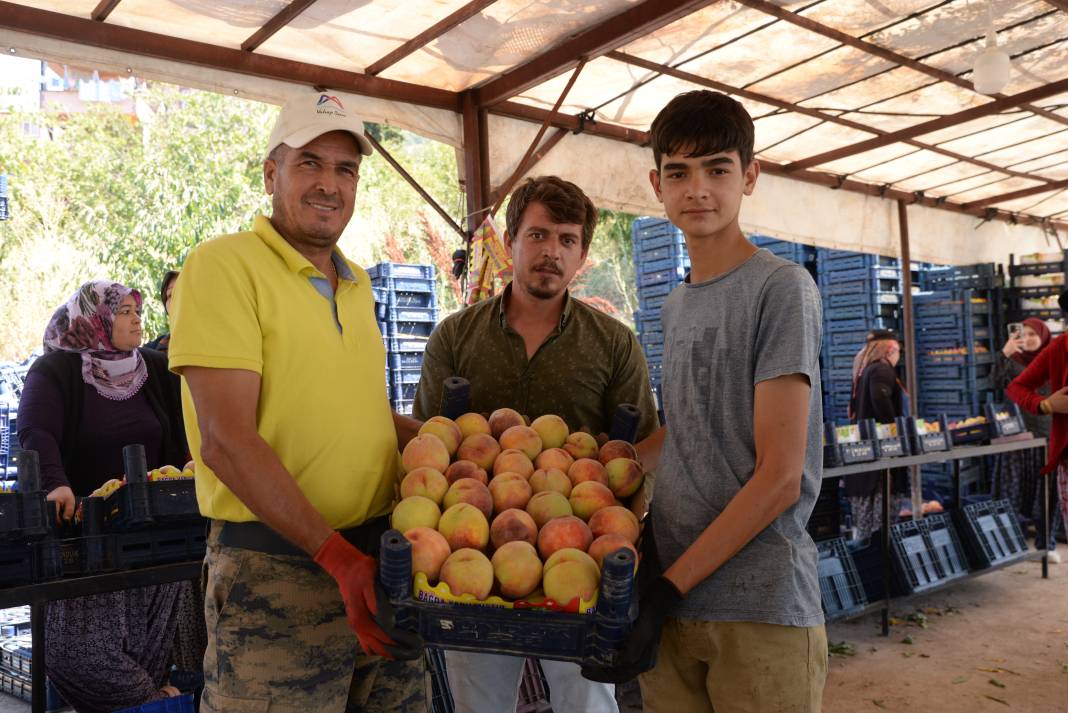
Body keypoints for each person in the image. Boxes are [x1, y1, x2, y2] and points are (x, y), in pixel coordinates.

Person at [167, 93, 424, 713]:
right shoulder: (224, 266)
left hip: (380, 564)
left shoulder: (357, 284)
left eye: (345, 169)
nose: (329, 185)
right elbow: (225, 440)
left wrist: (462, 446)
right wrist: (336, 558)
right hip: (274, 574)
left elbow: (359, 416)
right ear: (270, 174)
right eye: (309, 163)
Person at [584, 90, 826, 712]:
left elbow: (779, 478)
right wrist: (606, 467)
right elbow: (691, 428)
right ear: (656, 184)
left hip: (758, 603)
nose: (698, 189)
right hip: (673, 595)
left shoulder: (781, 289)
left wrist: (667, 588)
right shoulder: (676, 302)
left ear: (750, 176)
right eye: (679, 173)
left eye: (718, 169)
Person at [412, 175, 659, 713]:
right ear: (511, 241)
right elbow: (425, 442)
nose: (552, 252)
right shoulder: (455, 337)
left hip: (582, 555)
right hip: (470, 553)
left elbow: (642, 451)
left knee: (587, 701)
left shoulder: (614, 343)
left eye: (567, 240)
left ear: (583, 256)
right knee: (480, 702)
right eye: (540, 235)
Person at [17, 280, 189, 712]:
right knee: (81, 651)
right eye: (125, 311)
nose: (136, 318)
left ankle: (153, 698)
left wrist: (190, 466)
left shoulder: (155, 368)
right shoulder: (56, 371)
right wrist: (55, 482)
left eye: (137, 310)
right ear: (96, 319)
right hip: (85, 538)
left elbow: (183, 429)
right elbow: (37, 433)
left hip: (154, 535)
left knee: (156, 644)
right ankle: (148, 701)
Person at [1003, 318, 1067, 561]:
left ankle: (1046, 544)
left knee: (1048, 496)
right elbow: (998, 384)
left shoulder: (1055, 355)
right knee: (1014, 494)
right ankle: (1013, 545)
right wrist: (1004, 355)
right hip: (1017, 436)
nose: (1027, 338)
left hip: (1049, 435)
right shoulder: (1013, 361)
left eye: (1033, 334)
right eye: (1023, 333)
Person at [846, 331, 905, 541]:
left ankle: (868, 553)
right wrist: (894, 431)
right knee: (880, 522)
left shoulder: (864, 370)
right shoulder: (881, 369)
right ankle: (879, 559)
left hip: (865, 454)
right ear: (890, 349)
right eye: (898, 350)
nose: (899, 356)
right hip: (880, 455)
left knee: (866, 521)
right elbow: (880, 399)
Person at [145, 269, 180, 353]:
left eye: (180, 291)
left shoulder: (212, 341)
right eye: (170, 295)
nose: (176, 298)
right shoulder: (153, 349)